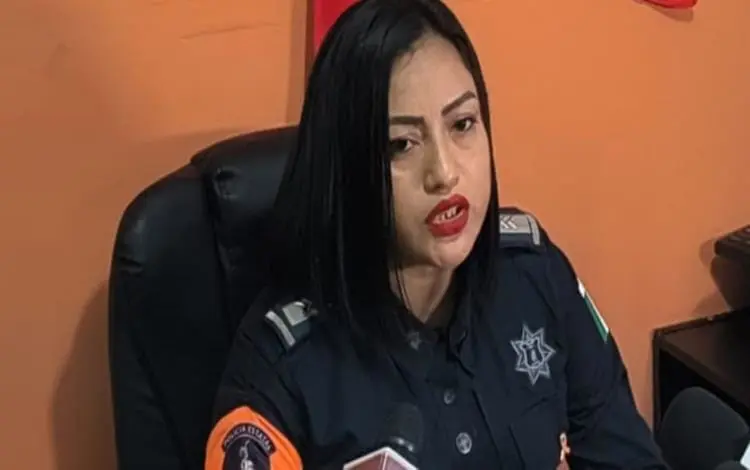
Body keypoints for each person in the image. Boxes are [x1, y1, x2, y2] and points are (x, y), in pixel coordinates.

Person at [205, 0, 668, 469]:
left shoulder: (533, 275)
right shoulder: (279, 368)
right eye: (401, 145)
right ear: (343, 169)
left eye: (462, 124)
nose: (444, 173)